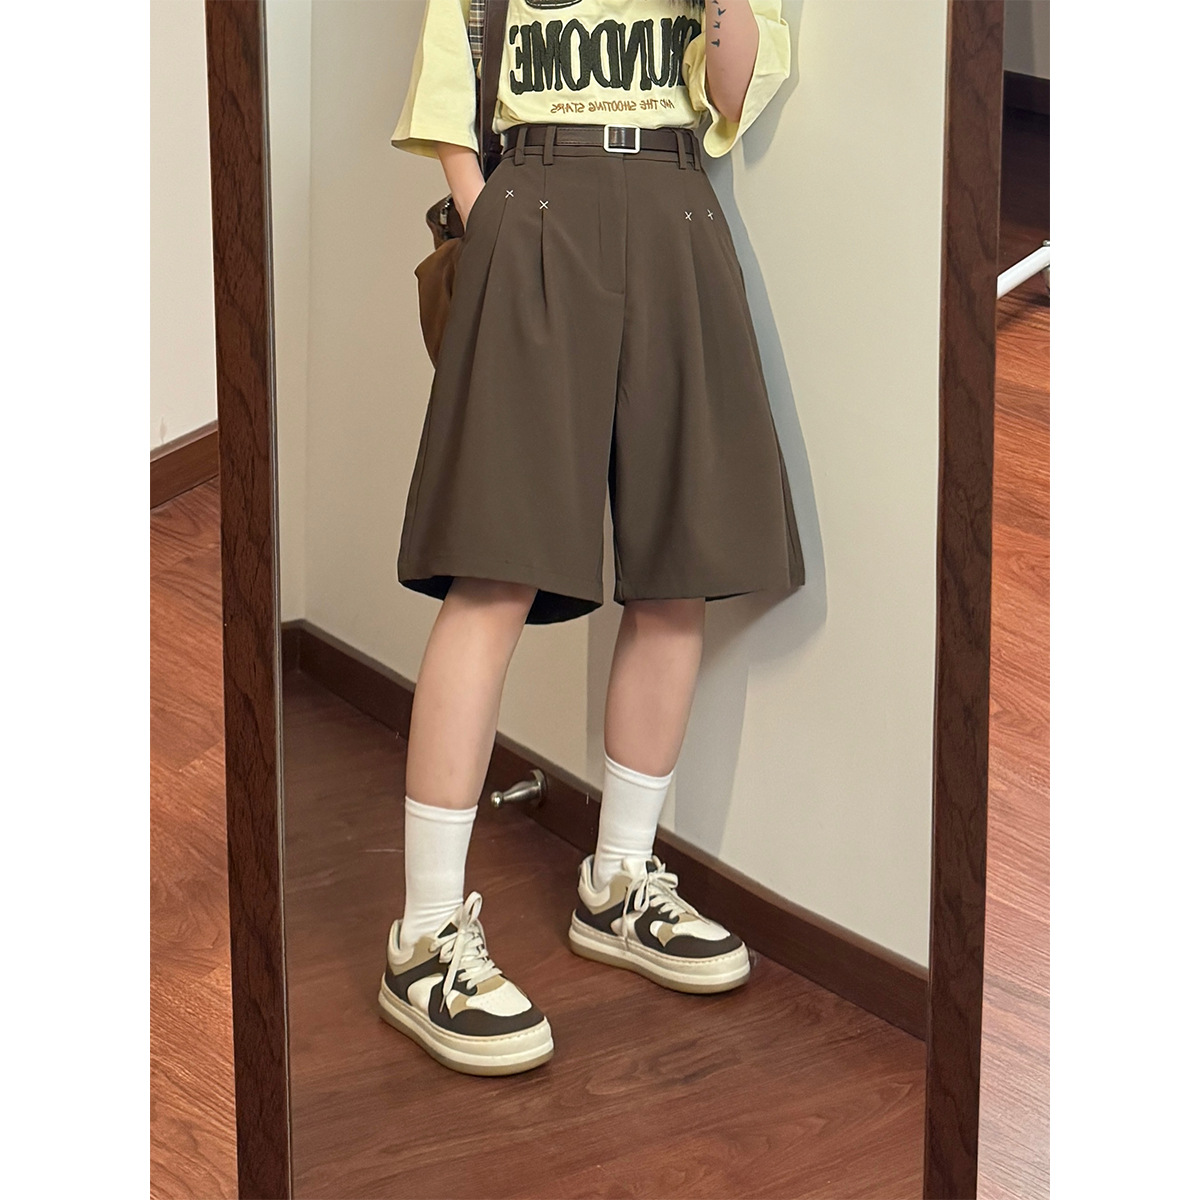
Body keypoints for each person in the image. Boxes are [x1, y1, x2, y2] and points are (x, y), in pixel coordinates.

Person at [378, 0, 804, 1076]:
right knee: (494, 572)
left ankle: (618, 883)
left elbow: (731, 99)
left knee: (678, 567)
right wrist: (492, 218)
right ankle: (423, 938)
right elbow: (449, 88)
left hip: (675, 203)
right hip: (533, 200)